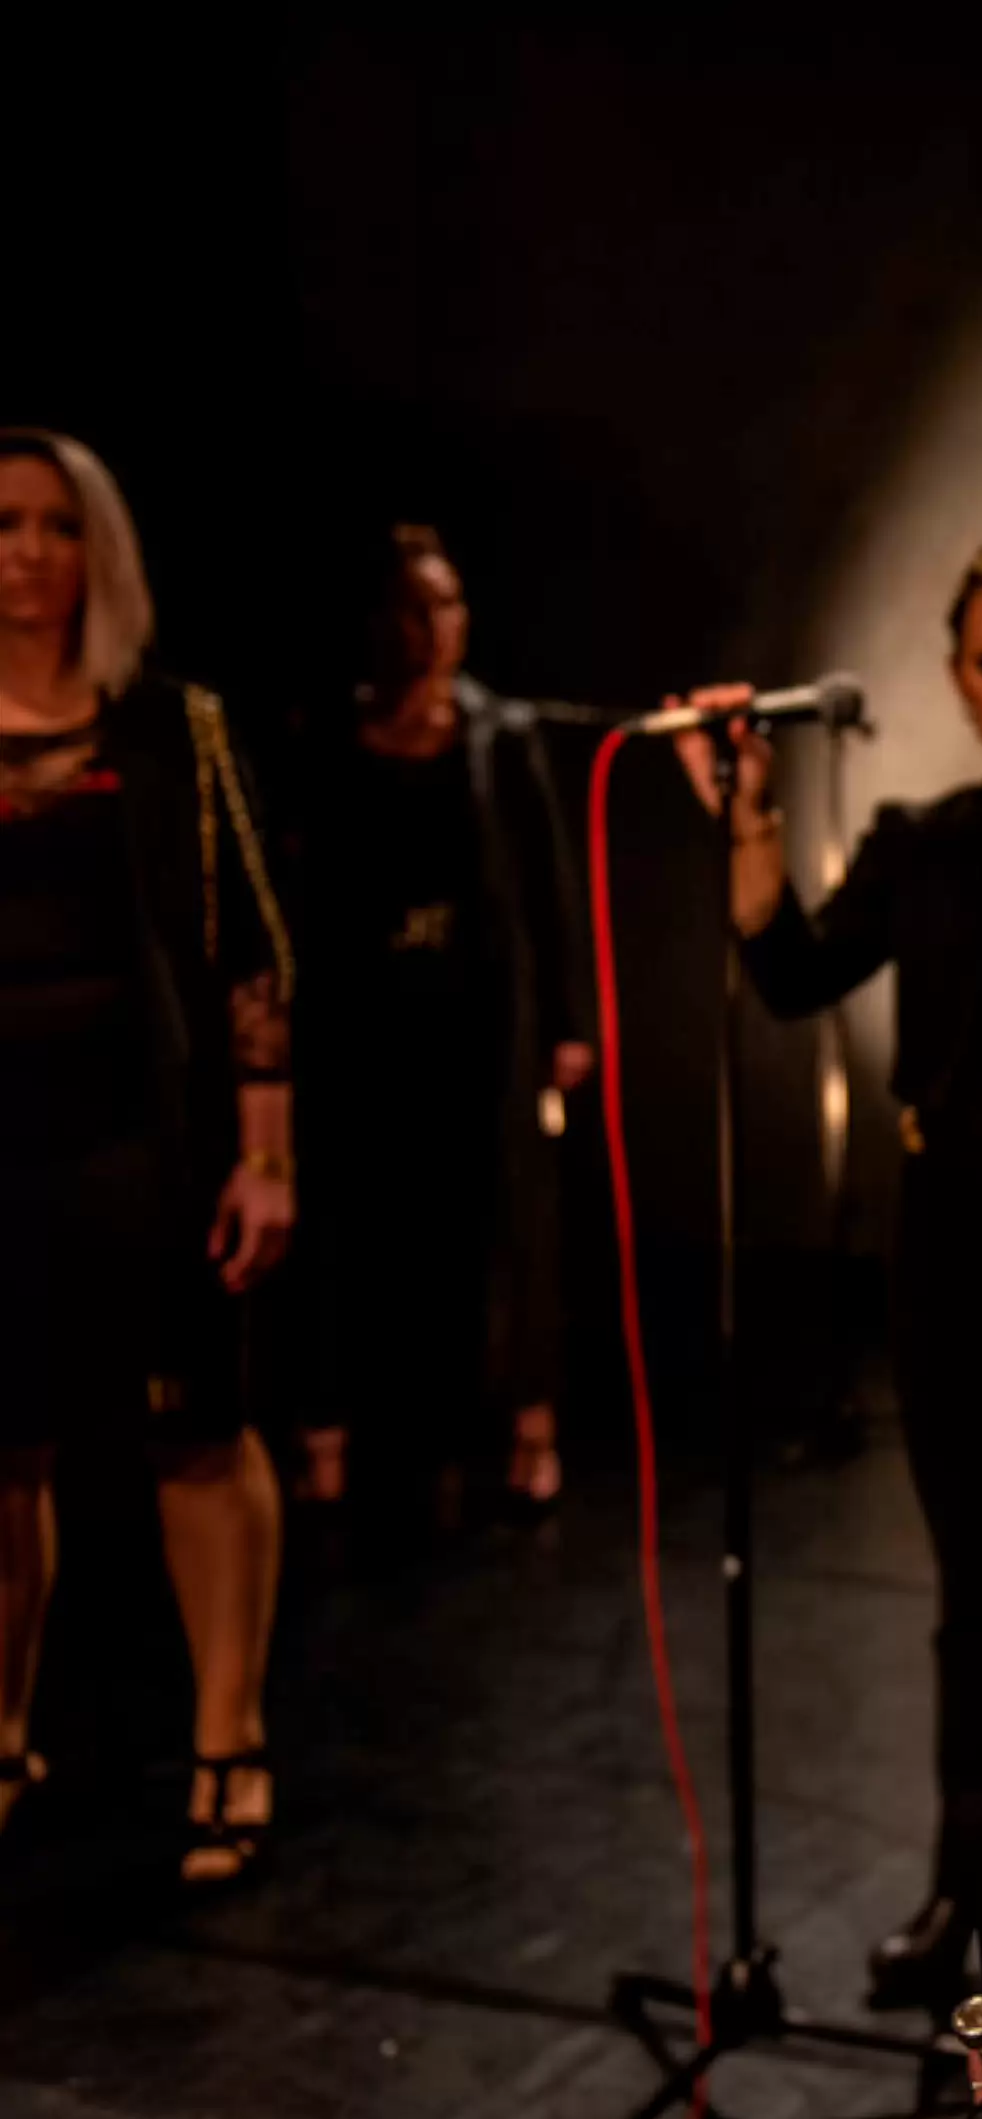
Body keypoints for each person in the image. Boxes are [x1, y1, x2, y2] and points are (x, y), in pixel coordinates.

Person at [674, 539, 982, 2011]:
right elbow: (792, 973)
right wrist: (750, 823)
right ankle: (972, 1882)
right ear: (957, 679)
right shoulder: (918, 842)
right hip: (954, 1237)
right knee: (978, 1583)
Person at [0, 428, 294, 1884]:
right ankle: (3, 1735)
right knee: (4, 1455)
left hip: (144, 1142)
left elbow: (253, 952)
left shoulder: (173, 726)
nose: (28, 554)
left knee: (196, 1438)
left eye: (59, 526)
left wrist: (266, 1155)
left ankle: (229, 1740)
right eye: (4, 524)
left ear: (99, 551)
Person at [289, 526, 592, 1527]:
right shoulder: (329, 737)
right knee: (357, 1223)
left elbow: (549, 887)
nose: (434, 627)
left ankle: (529, 1429)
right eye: (415, 607)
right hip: (367, 1018)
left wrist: (568, 1022)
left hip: (482, 1017)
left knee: (506, 1222)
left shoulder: (500, 736)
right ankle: (335, 1438)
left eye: (449, 604)